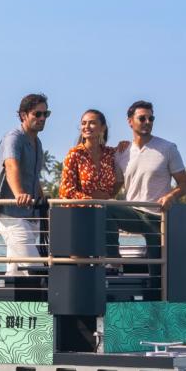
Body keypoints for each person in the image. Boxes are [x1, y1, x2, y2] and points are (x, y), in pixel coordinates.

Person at [112, 101, 186, 276]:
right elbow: (115, 187)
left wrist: (171, 196)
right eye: (142, 118)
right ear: (130, 121)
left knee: (157, 269)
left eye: (151, 118)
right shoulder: (121, 152)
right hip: (132, 213)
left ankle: (155, 301)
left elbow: (184, 186)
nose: (147, 121)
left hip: (157, 216)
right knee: (106, 209)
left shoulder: (168, 148)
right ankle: (113, 258)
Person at [0, 93, 49, 276]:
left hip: (30, 215)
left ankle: (8, 303)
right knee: (35, 268)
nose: (42, 118)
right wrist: (19, 194)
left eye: (45, 114)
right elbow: (11, 165)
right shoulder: (14, 137)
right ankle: (49, 302)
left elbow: (33, 176)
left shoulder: (37, 142)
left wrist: (43, 200)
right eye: (37, 114)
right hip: (13, 216)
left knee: (15, 272)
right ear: (23, 115)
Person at [59, 109, 123, 260]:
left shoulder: (110, 154)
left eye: (92, 123)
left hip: (104, 217)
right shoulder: (75, 154)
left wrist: (108, 197)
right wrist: (93, 202)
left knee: (106, 261)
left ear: (103, 128)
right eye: (83, 123)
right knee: (81, 263)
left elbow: (119, 180)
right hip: (79, 216)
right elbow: (66, 191)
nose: (87, 126)